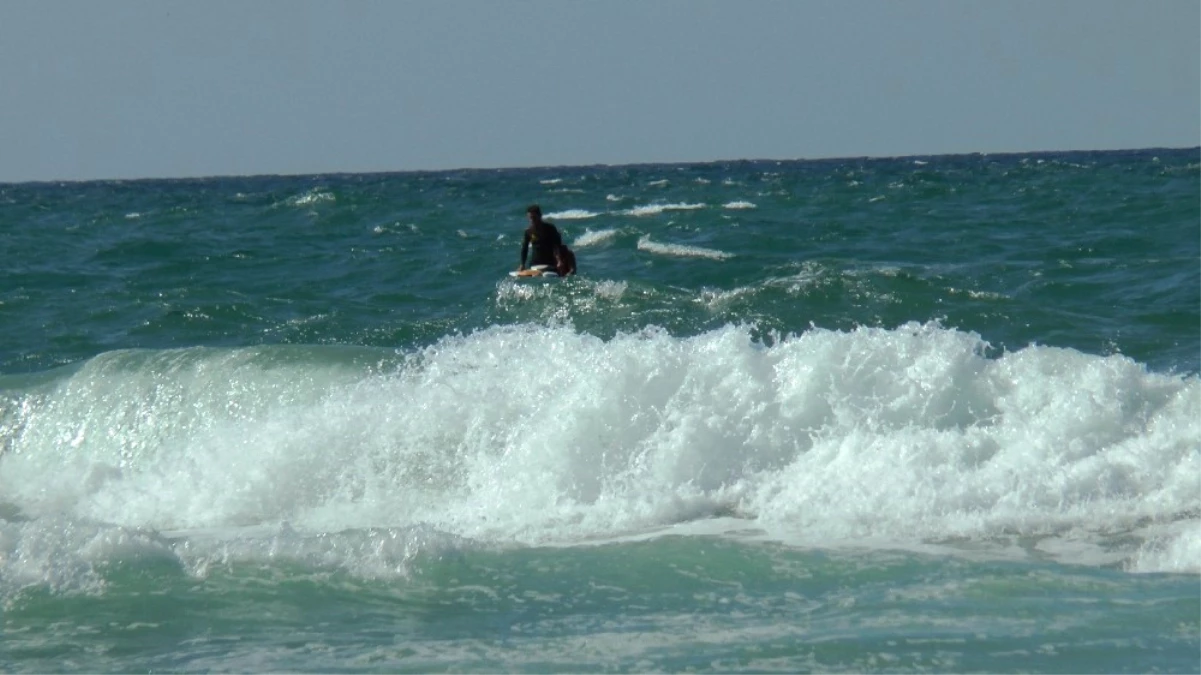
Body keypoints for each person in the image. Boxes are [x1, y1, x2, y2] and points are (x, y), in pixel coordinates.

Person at [518, 204, 564, 272]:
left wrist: (559, 261)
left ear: (540, 216)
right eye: (530, 218)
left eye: (534, 217)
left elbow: (557, 246)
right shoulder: (528, 231)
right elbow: (525, 249)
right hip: (534, 264)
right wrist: (522, 264)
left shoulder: (550, 228)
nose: (532, 220)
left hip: (550, 263)